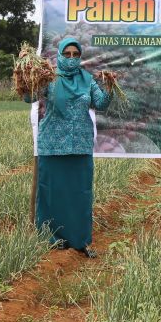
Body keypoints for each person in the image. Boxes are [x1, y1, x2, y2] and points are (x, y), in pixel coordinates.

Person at [27, 37, 111, 257]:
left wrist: (110, 87)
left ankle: (79, 240)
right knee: (51, 193)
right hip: (52, 145)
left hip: (80, 145)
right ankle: (49, 238)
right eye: (67, 54)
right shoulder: (49, 78)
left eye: (76, 54)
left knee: (79, 194)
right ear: (60, 55)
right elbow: (29, 97)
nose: (72, 58)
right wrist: (26, 75)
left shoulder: (87, 80)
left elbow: (100, 103)